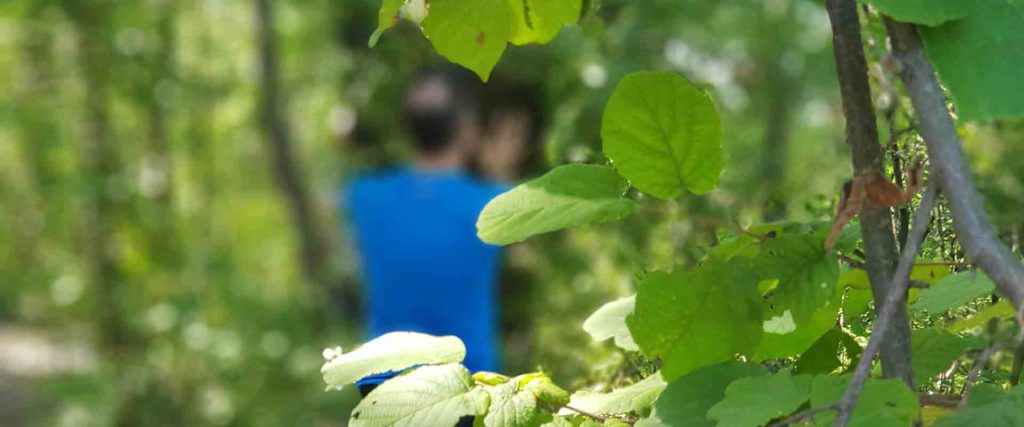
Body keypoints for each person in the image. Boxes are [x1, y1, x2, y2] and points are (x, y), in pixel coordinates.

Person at [342, 66, 530, 394]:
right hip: (466, 383)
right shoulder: (492, 204)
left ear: (407, 128)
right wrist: (499, 173)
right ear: (468, 128)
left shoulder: (363, 195)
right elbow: (527, 256)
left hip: (380, 383)